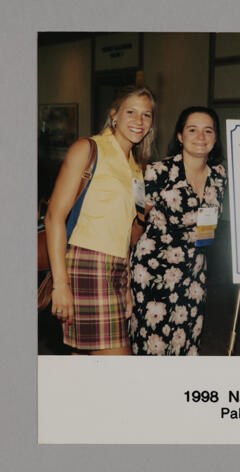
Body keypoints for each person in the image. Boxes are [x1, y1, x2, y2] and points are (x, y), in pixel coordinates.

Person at [46, 84, 156, 355]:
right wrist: (61, 284)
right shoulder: (88, 148)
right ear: (114, 114)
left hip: (117, 269)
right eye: (131, 112)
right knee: (119, 369)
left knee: (85, 365)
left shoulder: (137, 168)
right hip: (87, 264)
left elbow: (127, 237)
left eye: (146, 115)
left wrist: (127, 284)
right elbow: (53, 217)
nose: (139, 121)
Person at [129, 106, 227, 355]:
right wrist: (124, 272)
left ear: (215, 139)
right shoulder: (155, 172)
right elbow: (134, 222)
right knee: (153, 345)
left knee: (186, 343)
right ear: (180, 136)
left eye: (208, 131)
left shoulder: (219, 176)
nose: (201, 137)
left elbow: (209, 226)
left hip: (194, 275)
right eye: (192, 130)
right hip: (153, 273)